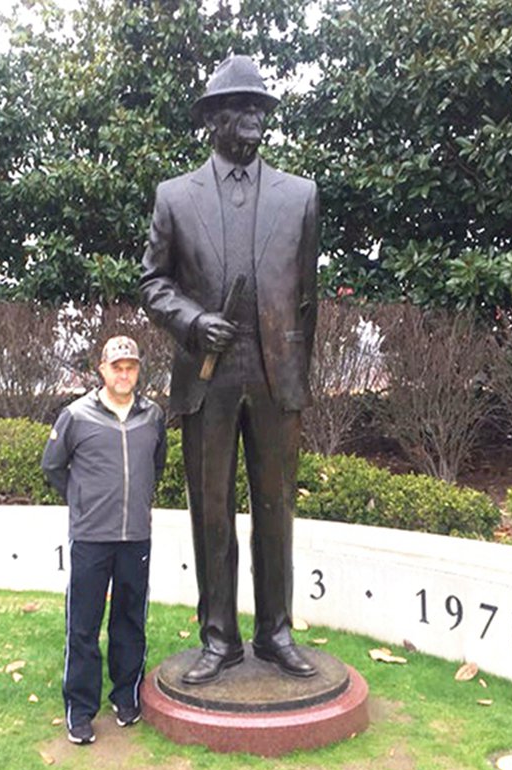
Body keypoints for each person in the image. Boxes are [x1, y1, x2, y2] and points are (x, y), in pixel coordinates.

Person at [139, 55, 319, 685]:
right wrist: (189, 321)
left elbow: (307, 298)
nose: (255, 117)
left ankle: (277, 632)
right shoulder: (174, 197)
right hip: (207, 377)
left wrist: (298, 380)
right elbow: (153, 283)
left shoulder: (300, 196)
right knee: (210, 509)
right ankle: (219, 636)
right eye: (242, 107)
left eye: (261, 107)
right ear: (213, 118)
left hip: (275, 380)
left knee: (277, 508)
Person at [41, 335, 167, 744]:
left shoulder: (153, 416)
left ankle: (126, 695)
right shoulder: (76, 416)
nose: (124, 373)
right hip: (92, 537)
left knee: (130, 620)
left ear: (137, 370)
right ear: (102, 370)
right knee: (83, 625)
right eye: (117, 366)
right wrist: (82, 502)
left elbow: (157, 463)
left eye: (130, 366)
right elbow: (53, 467)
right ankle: (80, 709)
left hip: (136, 537)